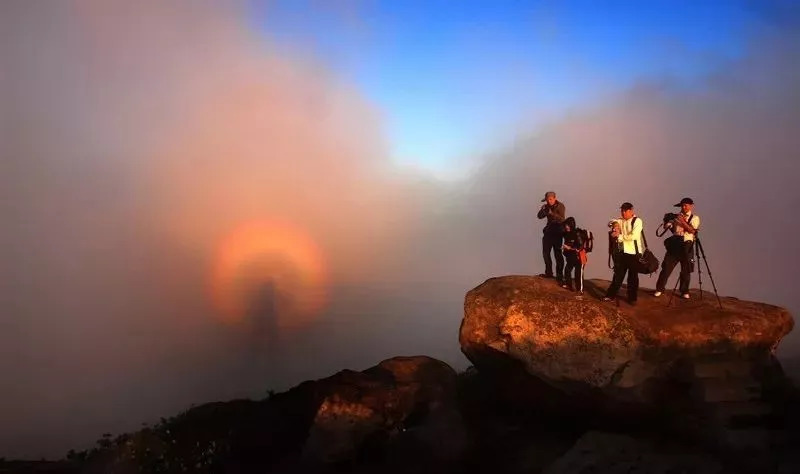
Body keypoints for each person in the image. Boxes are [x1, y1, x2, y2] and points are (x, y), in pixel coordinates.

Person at [654, 197, 700, 299]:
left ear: (691, 206)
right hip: (675, 243)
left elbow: (692, 231)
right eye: (682, 205)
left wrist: (682, 222)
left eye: (686, 205)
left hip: (687, 244)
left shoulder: (695, 218)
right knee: (666, 267)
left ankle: (684, 291)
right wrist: (668, 224)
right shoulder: (675, 217)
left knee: (686, 269)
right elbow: (667, 227)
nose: (684, 207)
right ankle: (659, 289)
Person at [603, 202, 644, 305]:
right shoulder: (620, 220)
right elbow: (610, 222)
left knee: (633, 277)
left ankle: (632, 298)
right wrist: (615, 224)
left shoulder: (637, 221)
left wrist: (619, 236)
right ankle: (610, 295)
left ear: (631, 211)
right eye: (622, 210)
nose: (623, 212)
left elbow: (634, 236)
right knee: (618, 275)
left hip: (634, 253)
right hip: (622, 252)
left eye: (625, 210)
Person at [537, 191, 566, 283]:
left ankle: (559, 275)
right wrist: (543, 211)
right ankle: (549, 273)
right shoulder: (546, 206)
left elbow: (562, 219)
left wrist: (551, 213)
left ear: (554, 198)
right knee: (546, 253)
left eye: (550, 199)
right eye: (547, 200)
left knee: (557, 254)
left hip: (557, 233)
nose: (548, 201)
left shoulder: (560, 206)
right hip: (548, 233)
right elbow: (539, 216)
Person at [561, 217, 586, 297]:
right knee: (567, 270)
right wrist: (565, 248)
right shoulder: (566, 234)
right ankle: (569, 285)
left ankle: (580, 290)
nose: (566, 227)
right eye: (566, 225)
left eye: (568, 225)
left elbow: (580, 246)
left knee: (578, 274)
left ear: (571, 225)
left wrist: (570, 248)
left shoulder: (577, 233)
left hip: (579, 258)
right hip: (571, 257)